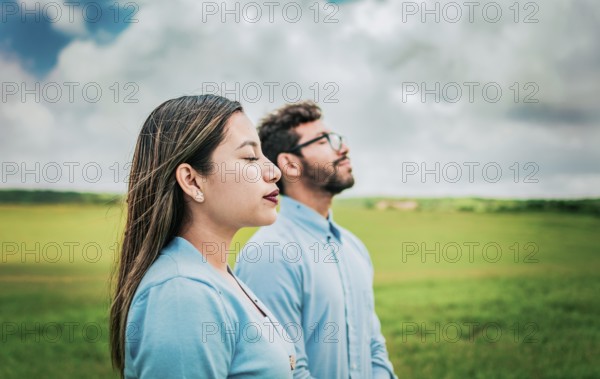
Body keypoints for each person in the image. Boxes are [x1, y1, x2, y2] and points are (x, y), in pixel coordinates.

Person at [109, 94, 296, 378]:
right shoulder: (182, 293)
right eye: (249, 157)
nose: (273, 171)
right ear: (192, 181)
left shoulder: (216, 276)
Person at [235, 101, 397, 379]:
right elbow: (287, 370)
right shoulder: (269, 254)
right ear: (289, 164)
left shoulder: (354, 247)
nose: (342, 148)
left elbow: (374, 348)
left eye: (338, 139)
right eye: (324, 141)